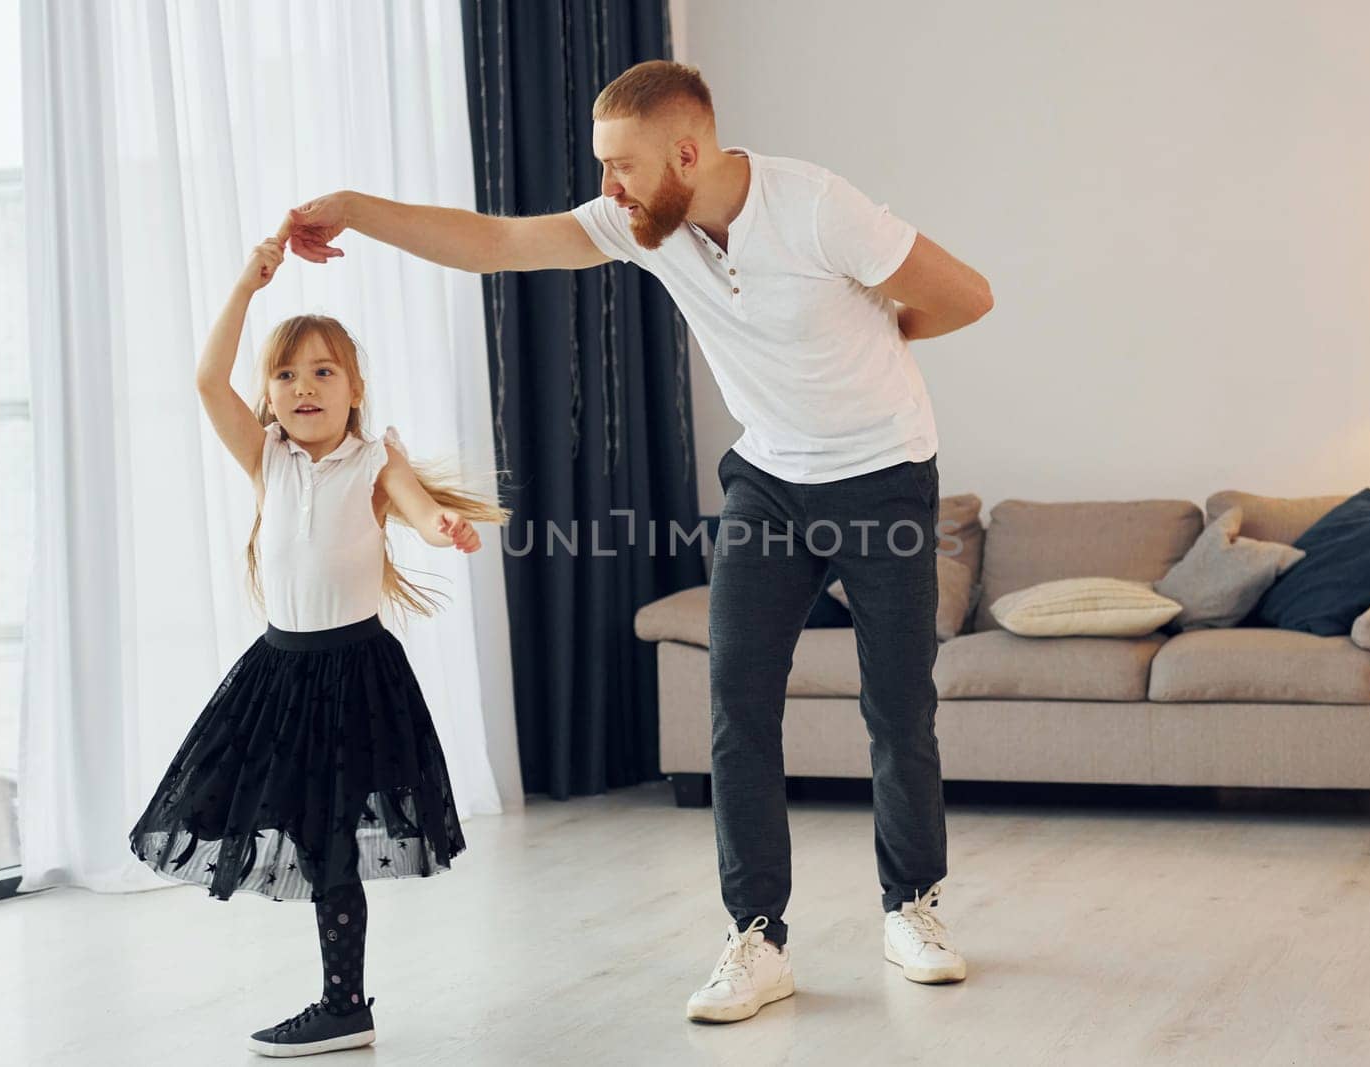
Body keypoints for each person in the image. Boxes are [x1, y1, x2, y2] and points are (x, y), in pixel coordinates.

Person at [281, 59, 992, 1025]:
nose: (607, 188)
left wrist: (877, 338)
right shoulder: (641, 222)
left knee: (897, 704)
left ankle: (912, 908)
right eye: (602, 168)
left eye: (620, 165)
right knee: (738, 703)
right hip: (771, 479)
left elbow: (965, 295)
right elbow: (497, 243)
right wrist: (356, 207)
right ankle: (758, 938)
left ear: (687, 153)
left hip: (884, 470)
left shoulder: (820, 208)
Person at [127, 233, 507, 1056]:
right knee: (274, 821)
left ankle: (343, 1004)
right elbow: (204, 378)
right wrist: (247, 282)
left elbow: (414, 507)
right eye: (287, 373)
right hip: (278, 671)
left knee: (330, 835)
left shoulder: (374, 461)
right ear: (270, 394)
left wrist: (444, 528)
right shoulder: (267, 459)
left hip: (353, 676)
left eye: (323, 370)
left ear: (355, 388)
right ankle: (343, 1002)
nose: (304, 386)